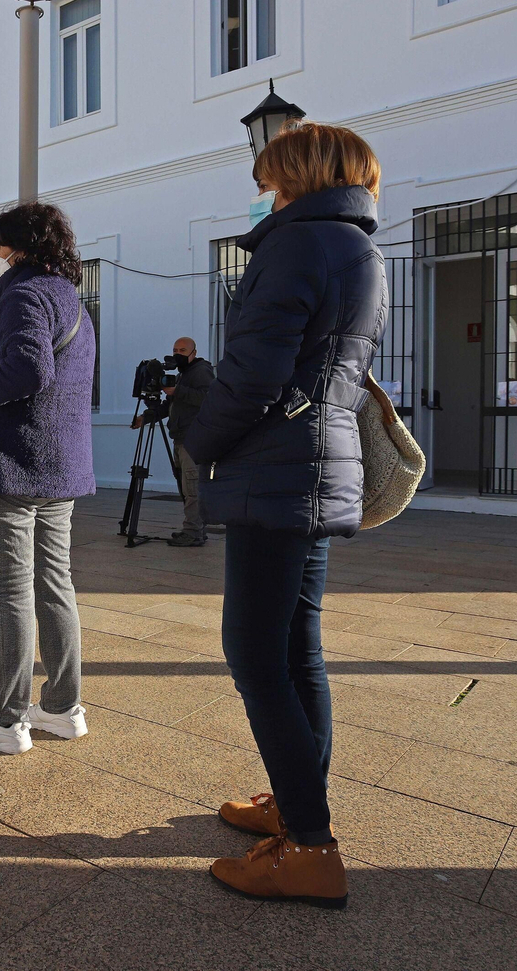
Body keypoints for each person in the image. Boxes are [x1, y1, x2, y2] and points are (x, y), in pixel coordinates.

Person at [182, 121, 387, 908]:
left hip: (277, 467)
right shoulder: (357, 246)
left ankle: (307, 844)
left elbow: (253, 372)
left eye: (269, 180)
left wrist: (199, 443)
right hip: (317, 462)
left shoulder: (297, 243)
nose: (264, 193)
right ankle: (296, 803)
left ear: (297, 176)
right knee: (298, 649)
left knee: (255, 654)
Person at [0, 201, 96, 755]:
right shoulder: (71, 300)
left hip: (14, 461)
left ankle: (5, 720)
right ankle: (62, 709)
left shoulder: (25, 295)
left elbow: (31, 368)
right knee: (55, 586)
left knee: (11, 594)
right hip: (61, 465)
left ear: (19, 251)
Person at [131, 337, 215, 546]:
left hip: (194, 440)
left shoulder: (201, 371)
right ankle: (195, 529)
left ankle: (193, 532)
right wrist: (145, 418)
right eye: (175, 350)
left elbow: (209, 398)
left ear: (193, 353)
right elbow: (169, 406)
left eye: (183, 350)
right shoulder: (182, 374)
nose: (178, 354)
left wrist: (178, 391)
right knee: (186, 486)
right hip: (180, 438)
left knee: (193, 487)